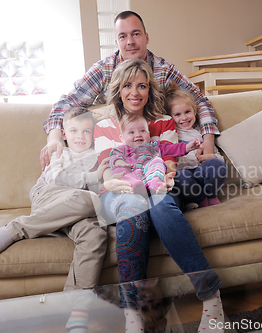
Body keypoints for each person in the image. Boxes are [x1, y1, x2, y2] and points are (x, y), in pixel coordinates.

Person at [95, 58, 224, 333]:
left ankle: (212, 299)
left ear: (149, 89)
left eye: (142, 85)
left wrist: (166, 176)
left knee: (162, 207)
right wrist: (111, 179)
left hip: (158, 182)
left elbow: (170, 160)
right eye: (128, 85)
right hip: (120, 189)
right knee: (132, 208)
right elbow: (107, 167)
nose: (135, 92)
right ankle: (133, 314)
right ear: (118, 88)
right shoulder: (104, 125)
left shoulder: (164, 122)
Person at [39, 10, 219, 173]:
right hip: (121, 148)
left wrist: (208, 142)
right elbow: (67, 103)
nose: (130, 41)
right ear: (116, 42)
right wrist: (54, 137)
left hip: (158, 147)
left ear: (146, 37)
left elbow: (200, 102)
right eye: (123, 36)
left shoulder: (164, 70)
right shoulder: (104, 70)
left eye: (136, 34)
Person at [0, 108, 108, 292]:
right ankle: (16, 228)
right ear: (64, 134)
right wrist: (93, 178)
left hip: (76, 212)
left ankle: (76, 308)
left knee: (95, 235)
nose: (80, 136)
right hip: (49, 197)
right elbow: (58, 180)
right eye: (74, 131)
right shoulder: (60, 154)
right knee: (90, 199)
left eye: (86, 131)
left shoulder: (98, 156)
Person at [164, 81, 228, 208]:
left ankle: (211, 194)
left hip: (201, 173)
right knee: (180, 177)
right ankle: (199, 198)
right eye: (177, 114)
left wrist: (212, 157)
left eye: (187, 112)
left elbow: (219, 157)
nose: (184, 118)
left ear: (194, 111)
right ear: (170, 117)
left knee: (218, 165)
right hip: (185, 176)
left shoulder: (200, 132)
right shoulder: (172, 134)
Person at [110, 112, 201, 195]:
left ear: (149, 133)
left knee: (157, 161)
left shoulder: (153, 146)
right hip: (132, 172)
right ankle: (135, 186)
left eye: (142, 131)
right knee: (119, 171)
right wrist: (118, 162)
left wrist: (187, 147)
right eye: (131, 132)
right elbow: (114, 157)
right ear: (122, 138)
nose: (138, 135)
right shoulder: (122, 149)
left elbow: (171, 148)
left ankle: (156, 184)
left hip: (149, 174)